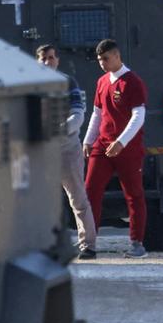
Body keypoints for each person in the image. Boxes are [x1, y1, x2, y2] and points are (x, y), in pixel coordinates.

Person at [82, 38, 149, 258]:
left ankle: (137, 243)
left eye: (106, 58)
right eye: (99, 59)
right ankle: (89, 243)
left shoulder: (132, 82)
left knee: (133, 194)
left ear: (117, 56)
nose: (102, 63)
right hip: (102, 145)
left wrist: (121, 141)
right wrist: (88, 140)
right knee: (90, 191)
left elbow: (139, 115)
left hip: (127, 148)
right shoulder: (102, 82)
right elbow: (97, 113)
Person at [36, 44, 97, 259]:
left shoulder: (68, 82)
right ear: (37, 60)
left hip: (67, 148)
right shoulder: (29, 84)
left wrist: (64, 128)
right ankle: (44, 245)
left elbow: (78, 113)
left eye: (51, 58)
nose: (48, 62)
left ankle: (88, 245)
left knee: (78, 199)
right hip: (40, 149)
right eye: (44, 58)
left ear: (57, 60)